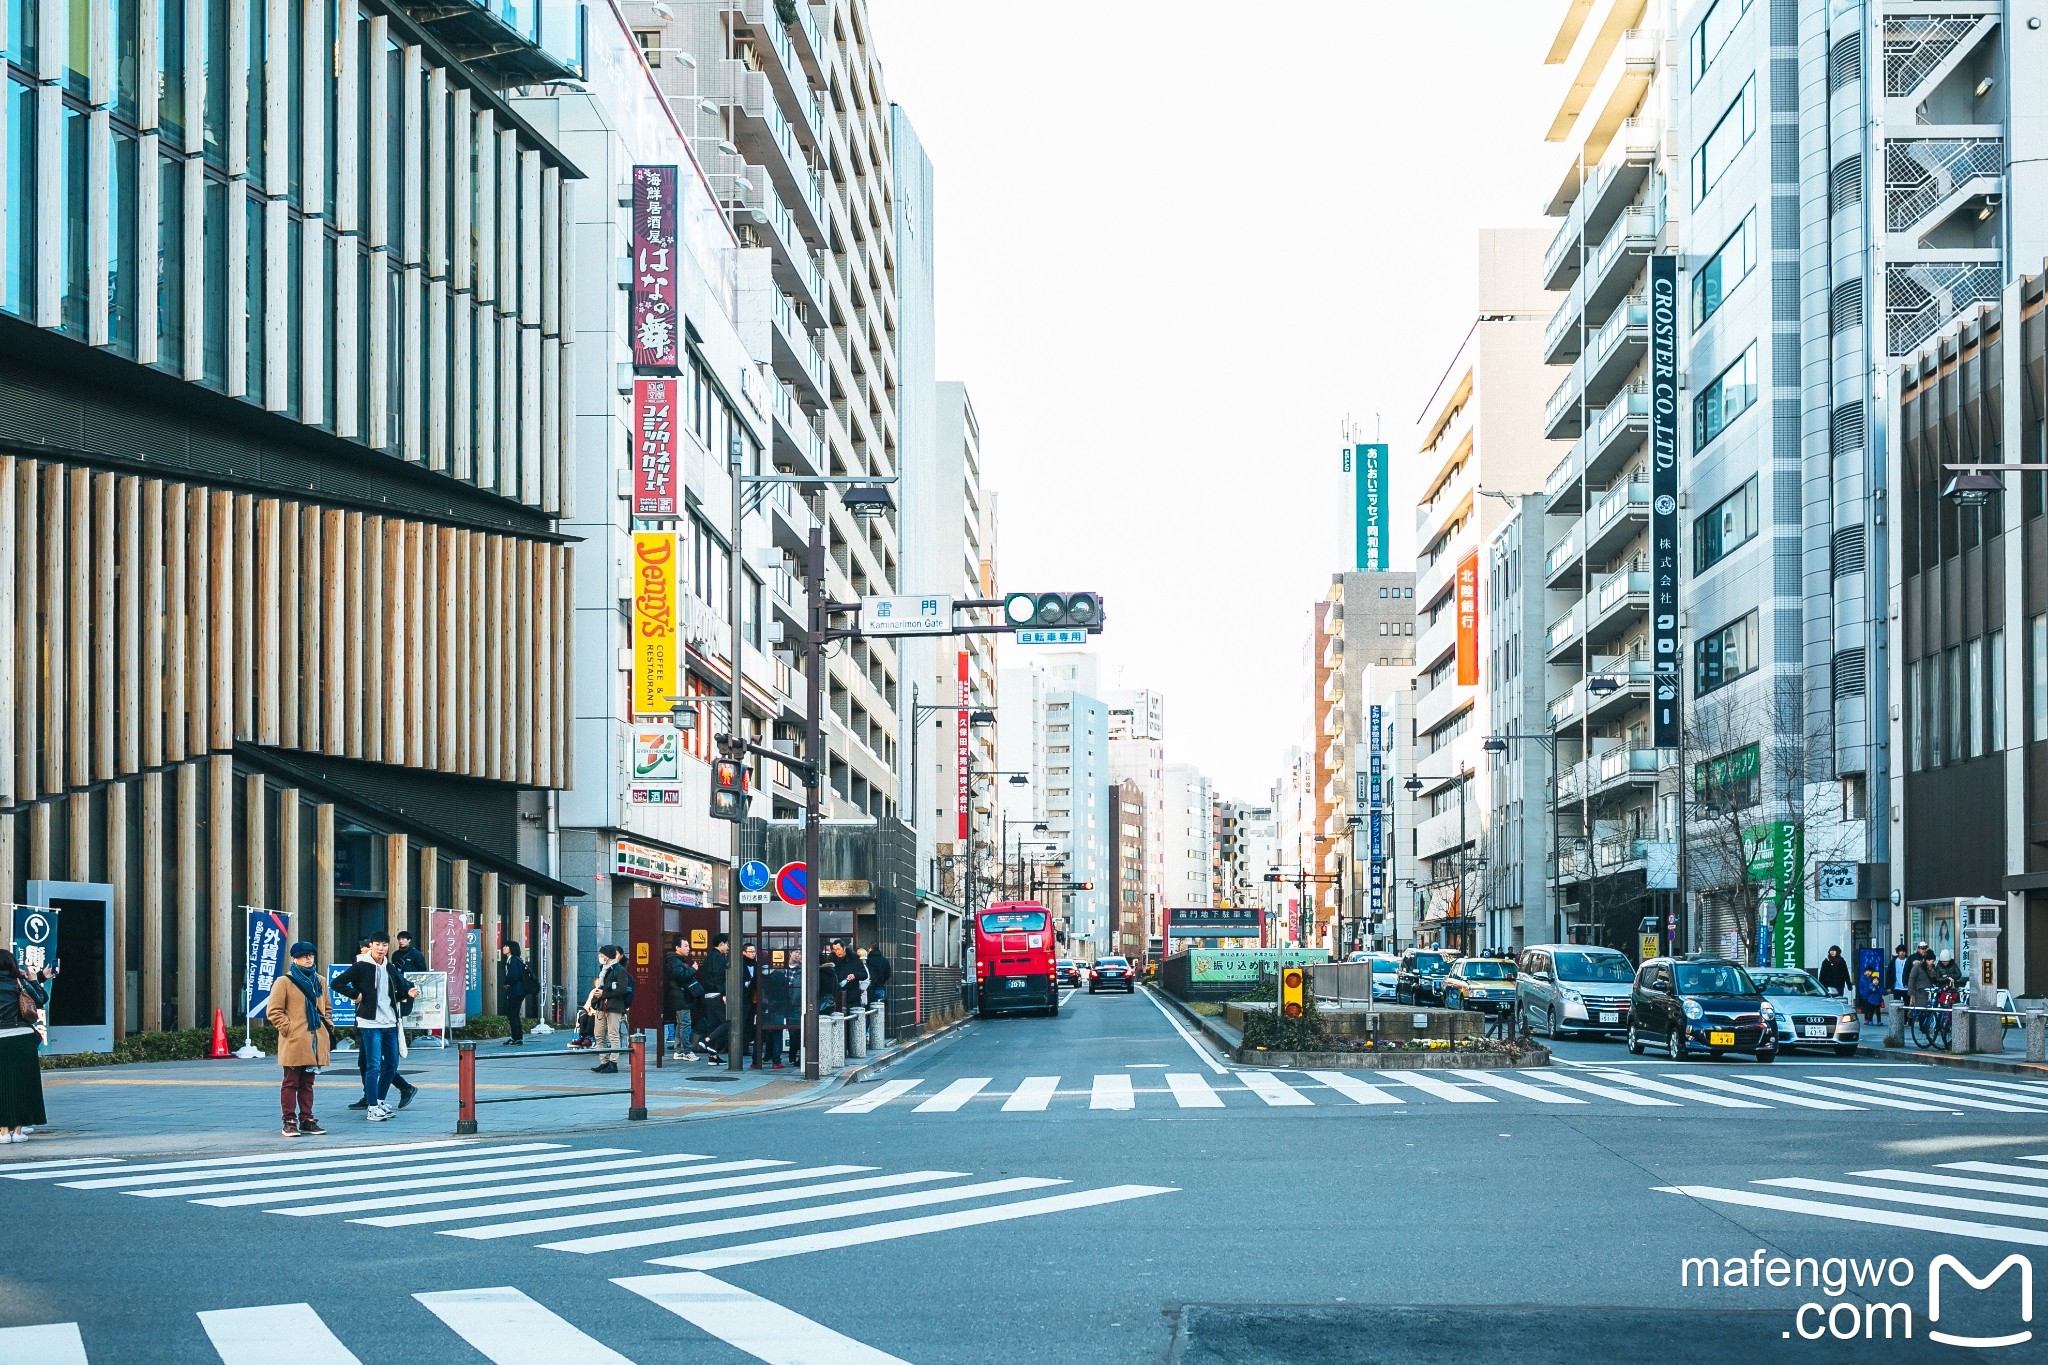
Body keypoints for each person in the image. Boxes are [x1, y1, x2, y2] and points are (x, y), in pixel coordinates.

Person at [331, 934, 419, 1121]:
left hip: (390, 1023)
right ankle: (371, 1107)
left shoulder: (389, 967)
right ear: (371, 946)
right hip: (370, 1023)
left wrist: (410, 992)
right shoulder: (360, 966)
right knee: (373, 1065)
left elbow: (402, 987)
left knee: (392, 1064)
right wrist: (355, 994)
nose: (381, 948)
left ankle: (379, 1101)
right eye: (377, 944)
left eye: (384, 945)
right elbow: (336, 983)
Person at [265, 942, 333, 1138]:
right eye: (304, 956)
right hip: (295, 1039)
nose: (309, 959)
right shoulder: (284, 982)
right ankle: (289, 1120)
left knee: (308, 1083)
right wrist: (289, 1028)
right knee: (291, 1081)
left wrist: (327, 1023)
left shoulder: (319, 980)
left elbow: (327, 1008)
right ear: (295, 958)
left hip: (315, 1039)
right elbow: (274, 1011)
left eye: (311, 955)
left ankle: (307, 1118)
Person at [0, 949, 51, 1144]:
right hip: (21, 1037)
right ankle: (18, 1130)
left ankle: (3, 1132)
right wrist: (33, 980)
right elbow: (41, 1000)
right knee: (21, 1085)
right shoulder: (18, 982)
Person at [590, 945, 633, 1074]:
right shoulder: (603, 969)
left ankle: (613, 1063)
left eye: (601, 955)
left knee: (613, 1034)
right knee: (599, 1034)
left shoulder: (619, 970)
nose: (599, 957)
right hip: (601, 1006)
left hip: (614, 1006)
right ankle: (604, 1061)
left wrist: (603, 994)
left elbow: (622, 989)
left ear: (607, 956)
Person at [664, 939, 702, 1061]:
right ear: (677, 947)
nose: (688, 948)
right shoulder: (674, 960)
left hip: (680, 997)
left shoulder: (675, 960)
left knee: (680, 1023)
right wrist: (693, 970)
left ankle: (679, 1050)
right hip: (680, 997)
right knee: (685, 1024)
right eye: (685, 946)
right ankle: (686, 1051)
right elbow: (680, 976)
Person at [698, 935, 730, 1063]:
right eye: (727, 944)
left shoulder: (710, 956)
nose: (728, 947)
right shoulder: (717, 957)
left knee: (713, 1024)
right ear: (721, 943)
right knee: (727, 1021)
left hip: (708, 995)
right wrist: (723, 993)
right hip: (716, 994)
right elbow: (718, 977)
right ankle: (706, 1040)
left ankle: (713, 1057)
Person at [499, 941, 531, 1045]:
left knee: (512, 1014)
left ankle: (516, 1038)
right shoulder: (514, 960)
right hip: (518, 991)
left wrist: (507, 983)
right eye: (504, 945)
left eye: (506, 946)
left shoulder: (513, 960)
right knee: (514, 1014)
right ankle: (517, 1037)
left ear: (512, 948)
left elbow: (514, 975)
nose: (504, 948)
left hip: (516, 991)